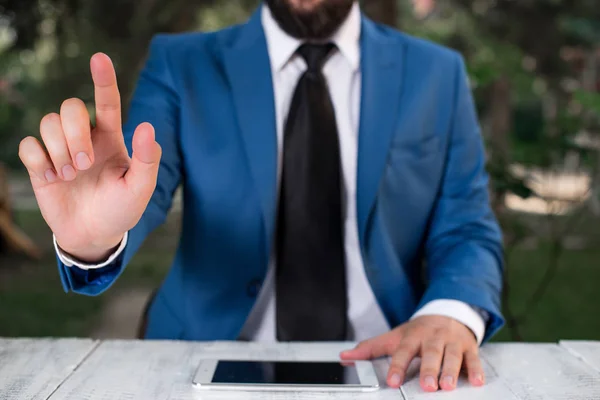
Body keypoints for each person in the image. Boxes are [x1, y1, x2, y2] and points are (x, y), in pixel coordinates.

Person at [18, 0, 503, 393]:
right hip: (206, 360)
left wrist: (450, 312)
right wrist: (95, 240)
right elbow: (142, 182)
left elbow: (466, 226)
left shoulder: (437, 73)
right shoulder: (181, 63)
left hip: (396, 363)